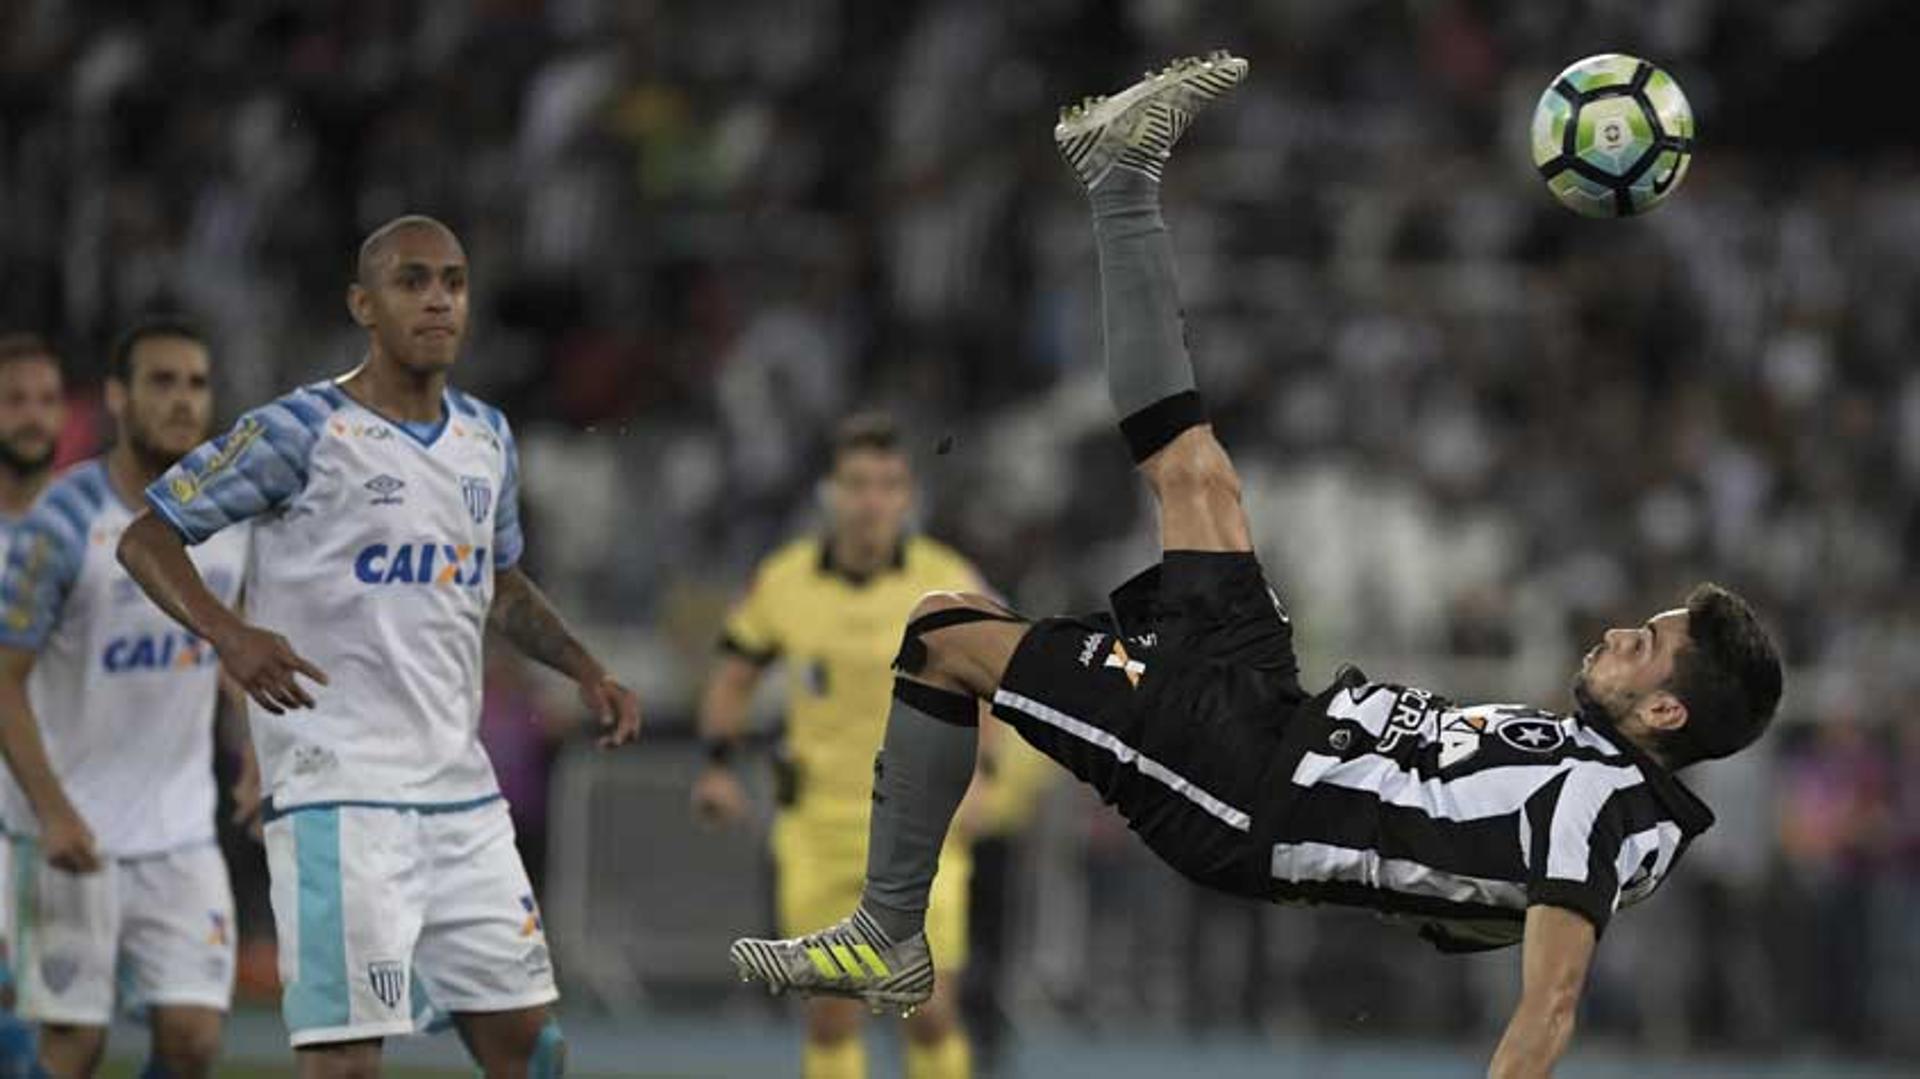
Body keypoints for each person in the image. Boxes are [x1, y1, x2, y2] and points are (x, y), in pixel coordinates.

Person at [728, 54, 1784, 1079]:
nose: (1614, 634)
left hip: (1241, 783)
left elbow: (1550, 999)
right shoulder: (1596, 778)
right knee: (1197, 474)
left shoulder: (1605, 808)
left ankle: (884, 930)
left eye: (1642, 646)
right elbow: (1465, 915)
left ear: (1665, 715)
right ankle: (1121, 177)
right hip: (1279, 709)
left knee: (940, 631)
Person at [115, 216, 642, 1078]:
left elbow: (496, 580)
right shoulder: (301, 429)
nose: (438, 298)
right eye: (413, 281)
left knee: (531, 1048)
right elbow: (148, 537)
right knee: (348, 1063)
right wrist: (233, 635)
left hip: (461, 795)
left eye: (454, 281)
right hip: (340, 797)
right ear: (364, 303)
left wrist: (585, 667)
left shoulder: (488, 437)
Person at [694, 412, 989, 1079]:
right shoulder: (785, 578)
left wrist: (986, 776)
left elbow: (995, 680)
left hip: (923, 827)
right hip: (818, 824)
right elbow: (733, 674)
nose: (871, 501)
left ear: (908, 495)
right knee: (831, 1012)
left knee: (931, 1004)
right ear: (830, 492)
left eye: (887, 484)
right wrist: (715, 766)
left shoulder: (948, 579)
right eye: (857, 483)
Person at [0, 320, 255, 1078]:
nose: (182, 401)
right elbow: (4, 677)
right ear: (117, 397)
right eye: (162, 382)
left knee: (195, 1038)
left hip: (181, 834)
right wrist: (53, 812)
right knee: (71, 1046)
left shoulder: (233, 521)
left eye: (196, 384)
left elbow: (229, 651)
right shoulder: (63, 523)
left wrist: (255, 752)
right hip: (75, 834)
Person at [0, 333, 67, 1079]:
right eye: (15, 399)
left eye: (46, 400)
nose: (31, 416)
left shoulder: (85, 530)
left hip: (54, 807)